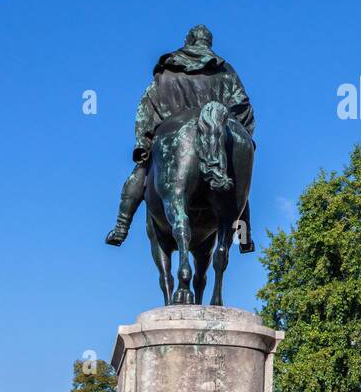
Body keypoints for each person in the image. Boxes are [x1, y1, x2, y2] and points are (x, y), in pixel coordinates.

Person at [104, 24, 254, 249]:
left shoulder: (167, 71)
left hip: (171, 143)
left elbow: (146, 107)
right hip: (217, 138)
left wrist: (143, 143)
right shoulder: (225, 71)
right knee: (236, 185)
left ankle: (121, 227)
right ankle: (244, 238)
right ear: (209, 44)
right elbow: (243, 107)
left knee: (141, 171)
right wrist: (239, 137)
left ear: (189, 41)